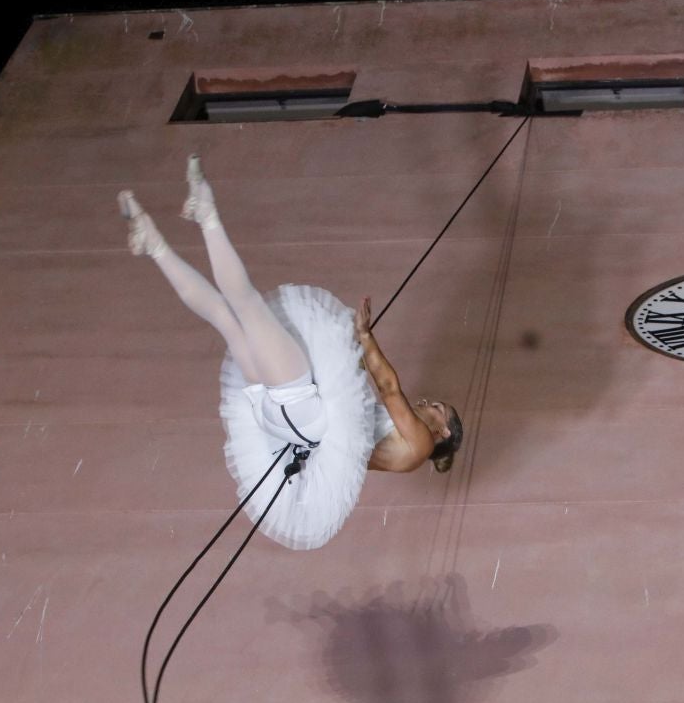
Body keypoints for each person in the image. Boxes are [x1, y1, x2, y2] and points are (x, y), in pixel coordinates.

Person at [121, 155, 462, 548]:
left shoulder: (419, 446)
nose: (429, 401)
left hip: (306, 417)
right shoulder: (401, 449)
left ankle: (207, 212)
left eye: (438, 406)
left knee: (245, 305)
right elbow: (360, 424)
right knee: (227, 318)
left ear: (444, 430)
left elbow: (388, 386)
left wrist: (366, 337)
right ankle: (155, 244)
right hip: (289, 425)